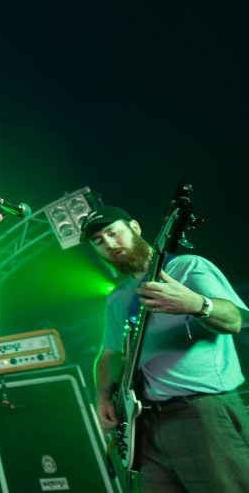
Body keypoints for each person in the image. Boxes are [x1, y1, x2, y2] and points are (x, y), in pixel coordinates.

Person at [83, 205, 249, 492]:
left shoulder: (188, 267)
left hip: (199, 411)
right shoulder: (117, 298)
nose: (109, 243)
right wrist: (102, 398)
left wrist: (198, 305)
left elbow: (235, 320)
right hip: (144, 424)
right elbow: (109, 354)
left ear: (135, 227)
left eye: (113, 232)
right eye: (98, 241)